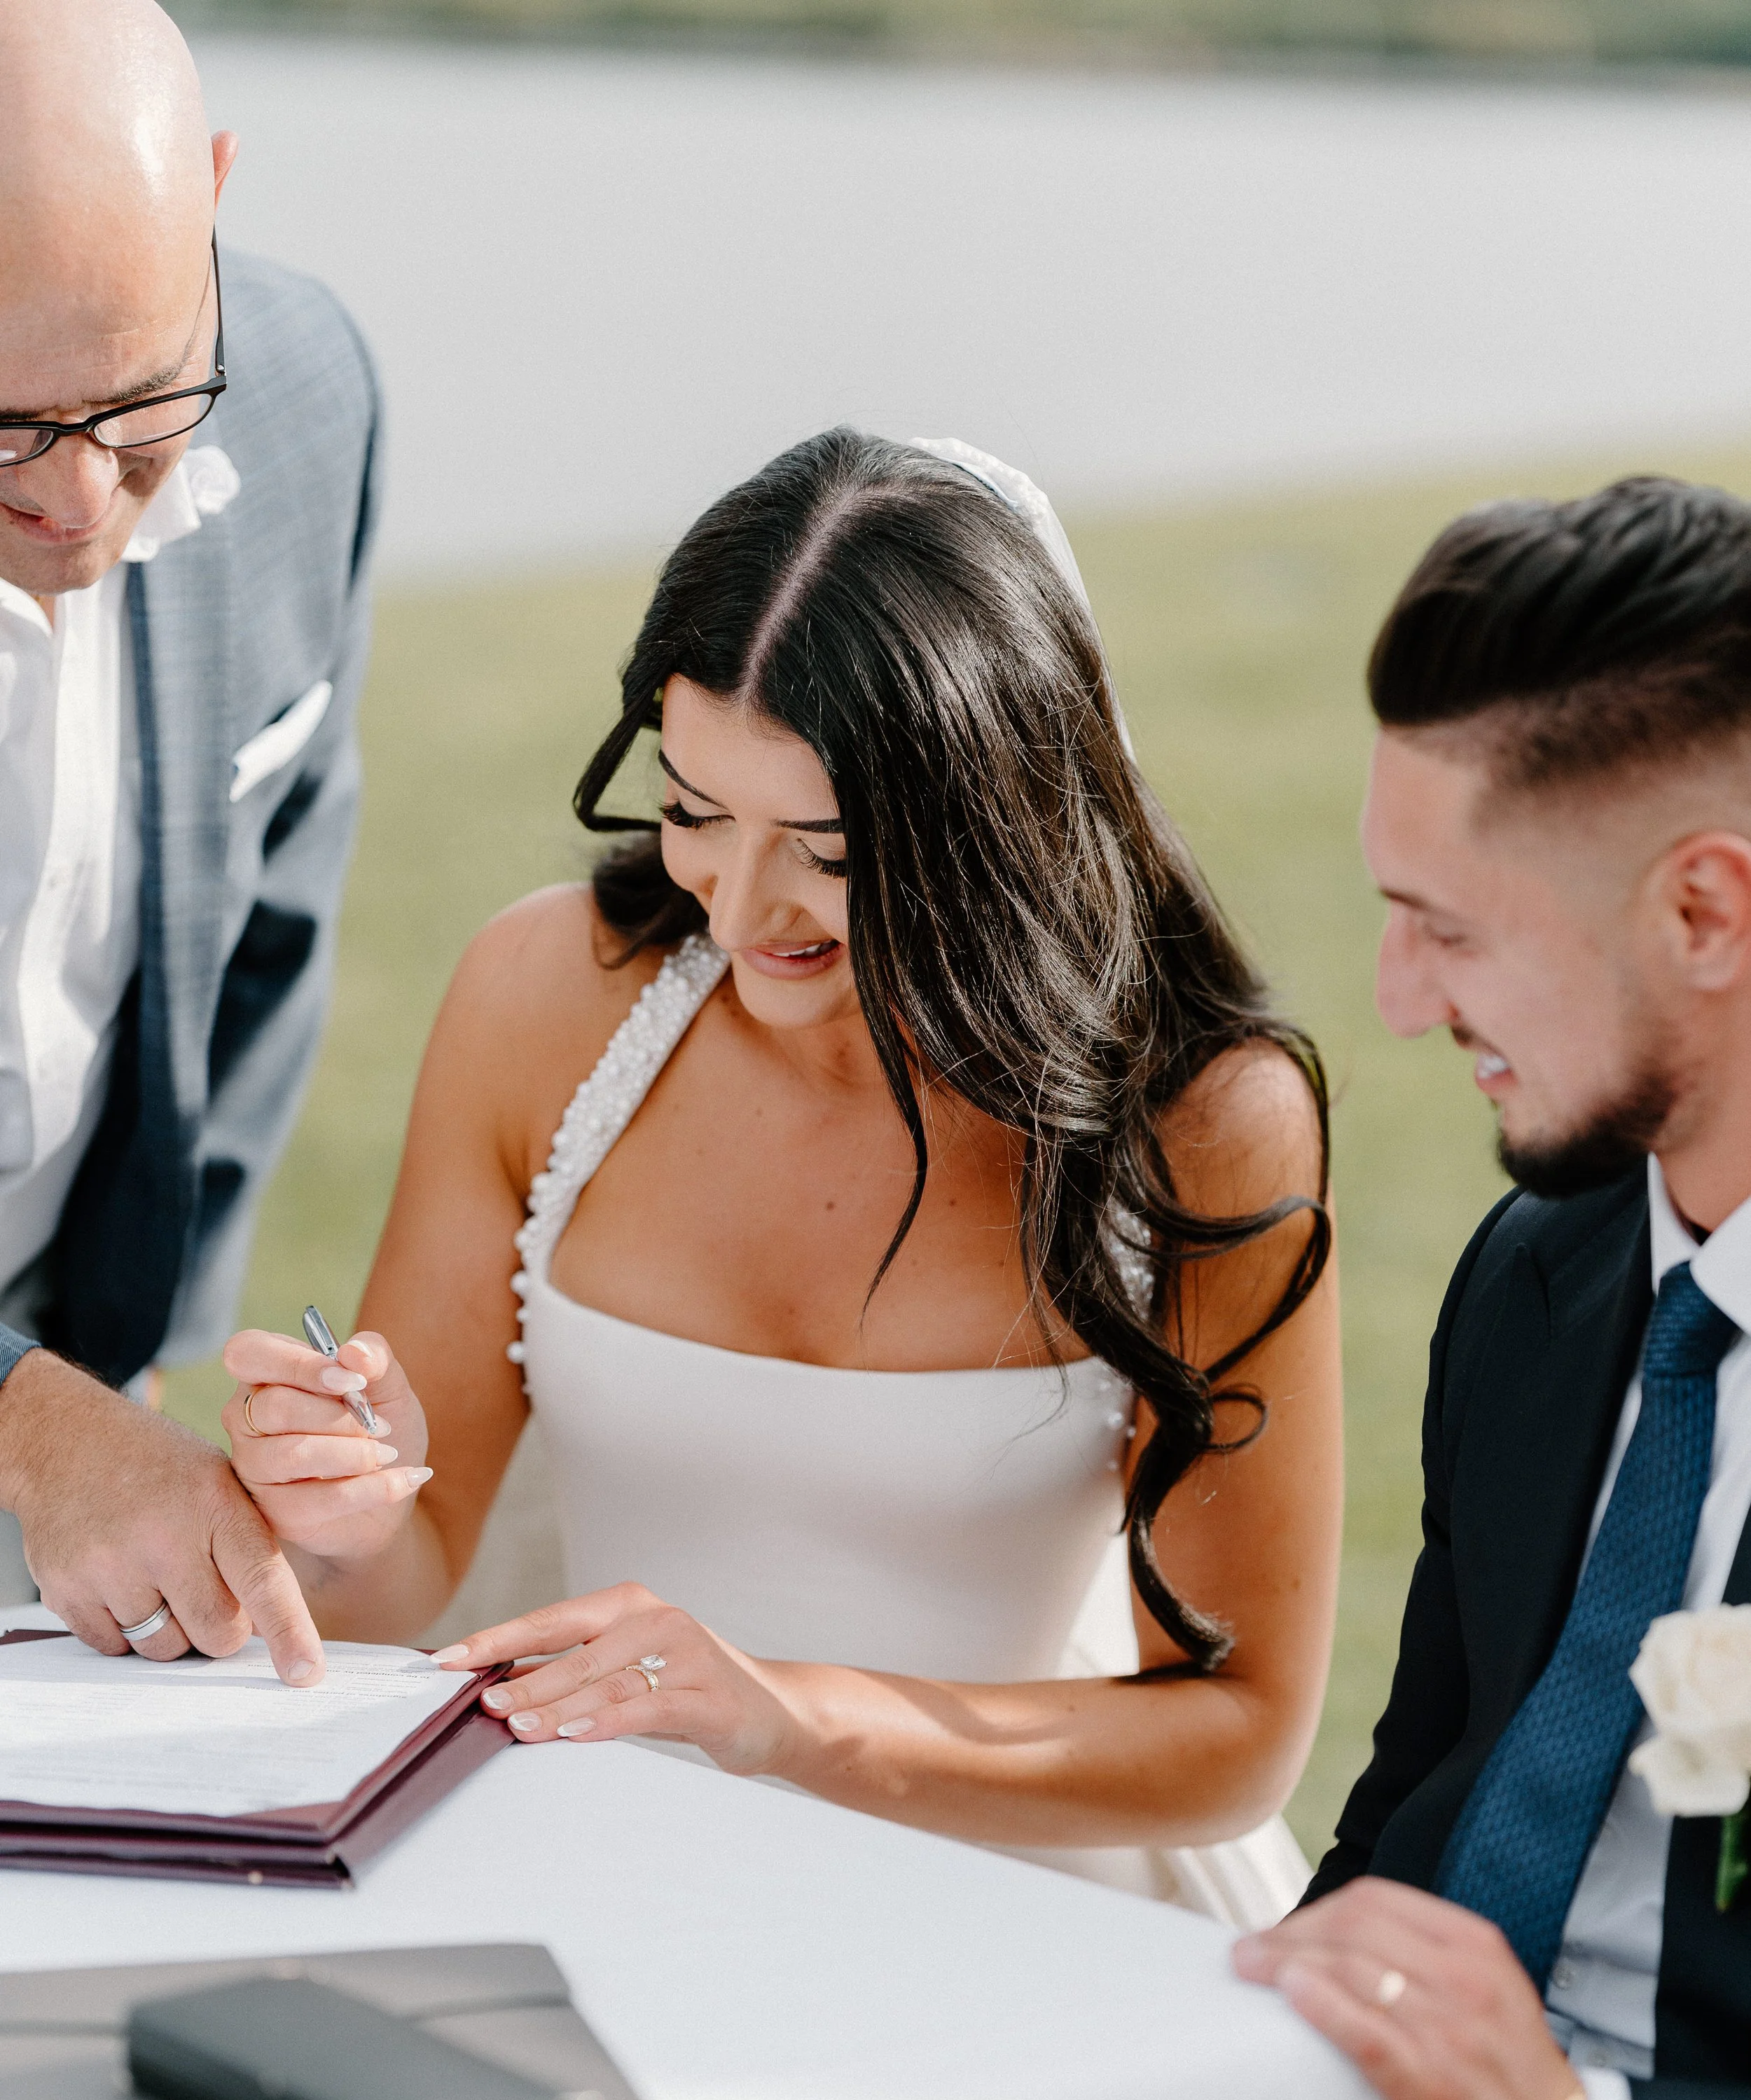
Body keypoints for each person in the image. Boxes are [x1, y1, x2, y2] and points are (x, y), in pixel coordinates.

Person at [221, 429, 1340, 1913]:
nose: (739, 908)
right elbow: (409, 1568)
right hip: (601, 1871)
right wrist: (343, 1511)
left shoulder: (1198, 1121)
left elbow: (1237, 1734)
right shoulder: (542, 999)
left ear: (986, 822)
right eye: (692, 810)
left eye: (820, 845)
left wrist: (779, 1717)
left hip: (1024, 1903)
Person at [999, 475, 1751, 2100]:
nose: (1395, 998)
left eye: (1448, 922)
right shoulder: (1544, 1281)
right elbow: (1422, 1810)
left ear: (1705, 907)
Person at [0, 0, 380, 1685]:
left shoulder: (309, 402)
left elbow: (273, 924)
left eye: (143, 402)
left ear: (212, 197)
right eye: (3, 425)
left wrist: (147, 1356)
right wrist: (33, 1426)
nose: (79, 499)